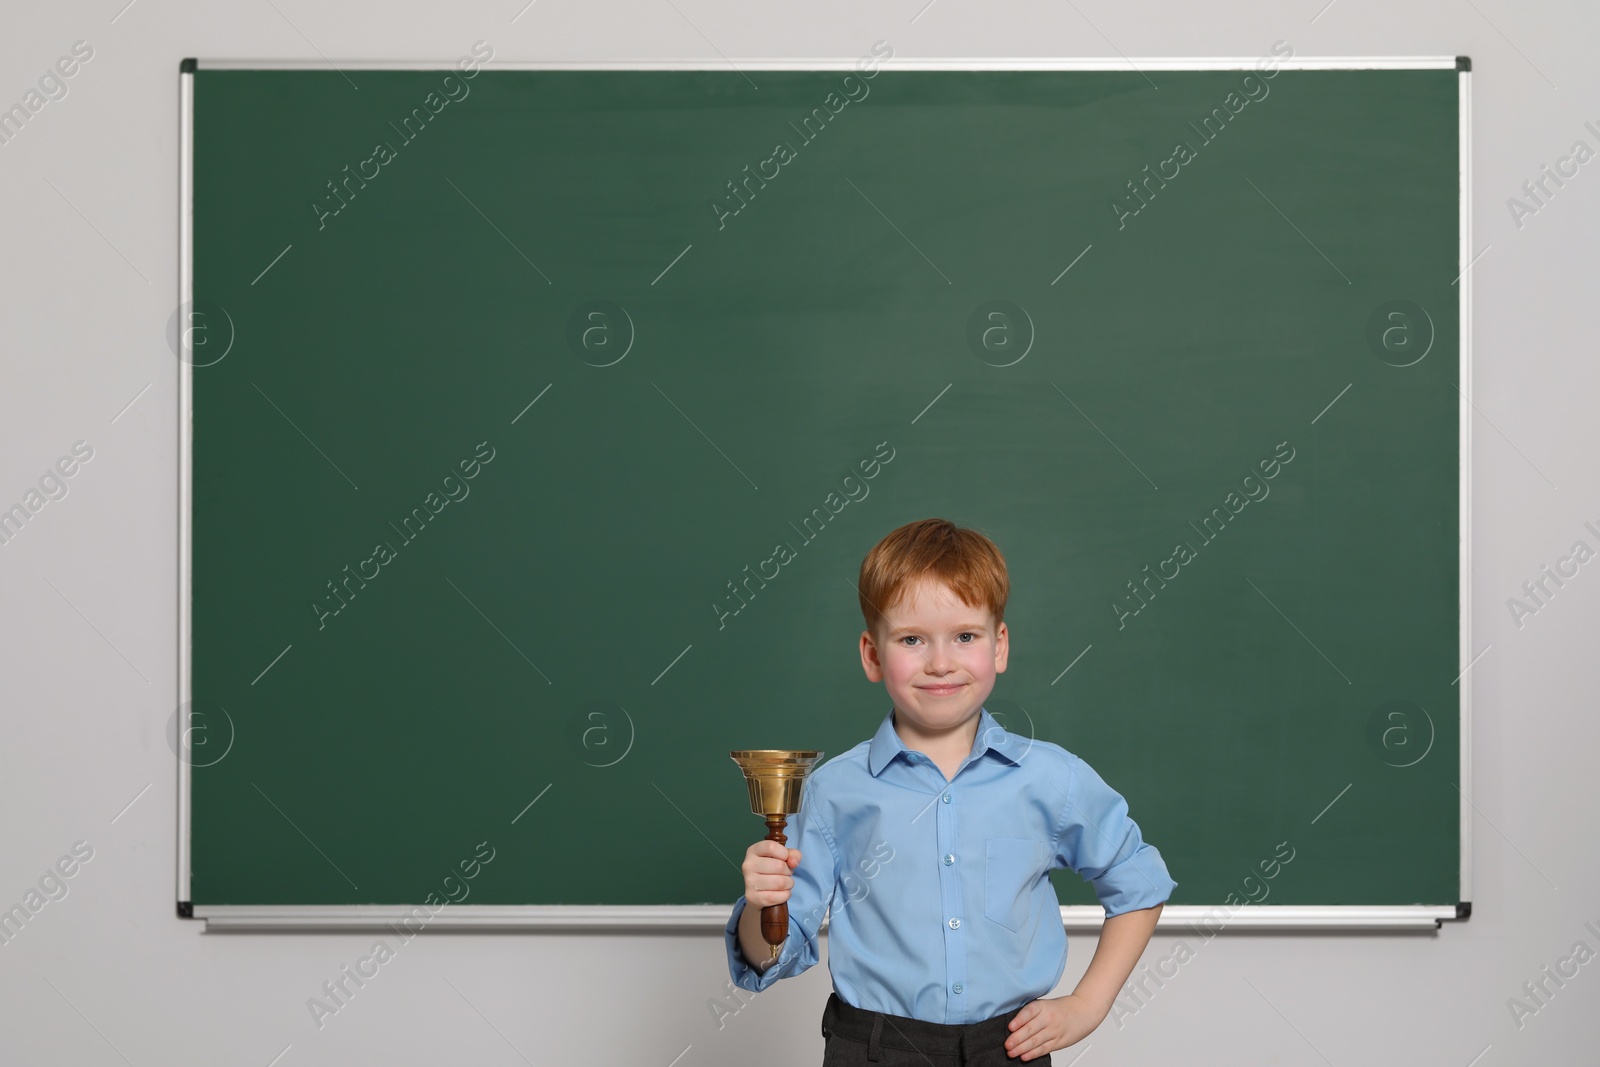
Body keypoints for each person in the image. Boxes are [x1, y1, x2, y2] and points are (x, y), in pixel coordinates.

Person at [724, 518, 1176, 1065]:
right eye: (912, 639)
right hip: (873, 1048)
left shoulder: (1052, 778)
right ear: (872, 655)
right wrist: (760, 905)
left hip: (1006, 1048)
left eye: (965, 636)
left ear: (999, 646)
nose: (940, 662)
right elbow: (773, 949)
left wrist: (1087, 1005)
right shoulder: (832, 791)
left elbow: (1139, 881)